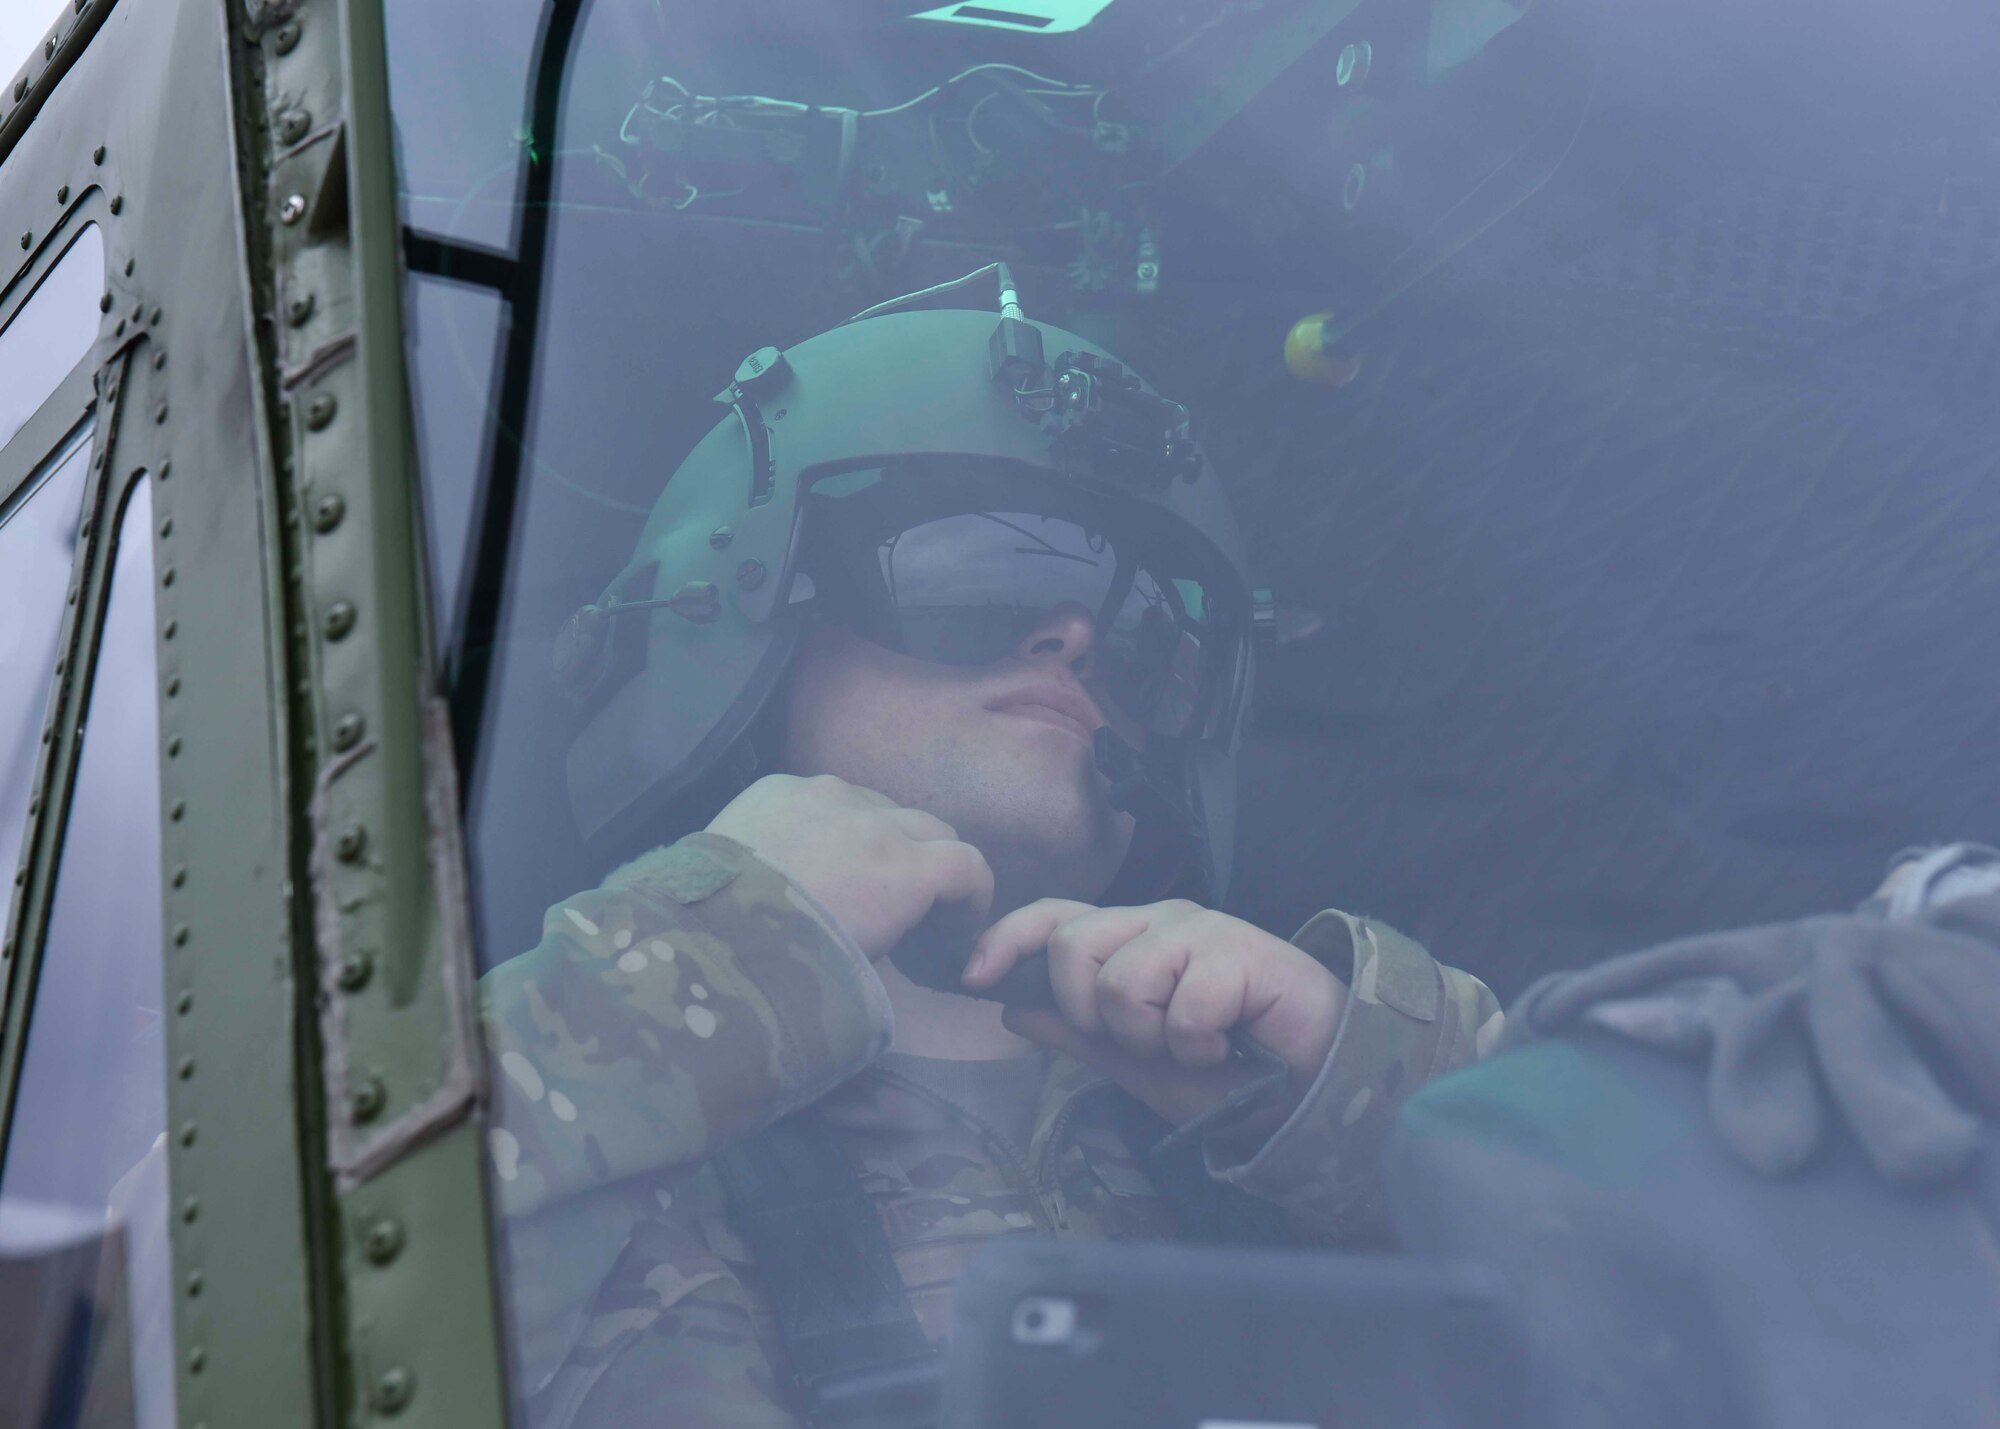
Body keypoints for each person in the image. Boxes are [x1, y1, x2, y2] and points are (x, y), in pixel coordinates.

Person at [477, 268, 1502, 1428]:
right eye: (973, 568)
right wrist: (693, 956)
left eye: (1139, 628)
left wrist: (1354, 1078)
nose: (1071, 634)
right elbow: (297, 1293)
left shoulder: (1275, 1153)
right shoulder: (585, 1132)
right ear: (755, 618)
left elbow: (1685, 1294)